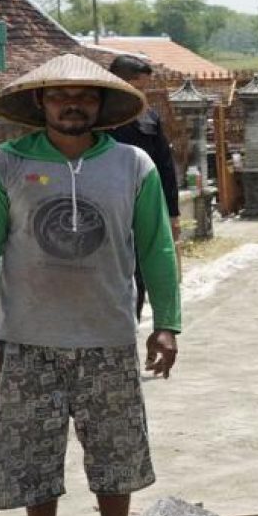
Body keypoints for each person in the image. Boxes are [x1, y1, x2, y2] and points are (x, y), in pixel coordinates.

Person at [0, 53, 181, 516]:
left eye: (84, 96)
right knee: (33, 449)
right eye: (59, 95)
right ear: (40, 102)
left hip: (108, 334)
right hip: (27, 336)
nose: (72, 104)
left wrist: (166, 322)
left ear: (101, 105)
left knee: (115, 450)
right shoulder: (7, 163)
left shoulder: (131, 165)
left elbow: (157, 250)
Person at [106, 54, 181, 319]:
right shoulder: (96, 120)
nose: (142, 95)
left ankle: (130, 328)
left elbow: (164, 165)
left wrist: (172, 212)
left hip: (142, 207)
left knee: (139, 275)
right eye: (138, 88)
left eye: (144, 89)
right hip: (106, 206)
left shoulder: (149, 117)